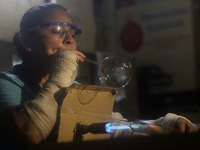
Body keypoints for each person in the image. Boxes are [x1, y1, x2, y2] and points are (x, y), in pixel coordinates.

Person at [0, 2, 199, 149]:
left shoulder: (73, 87)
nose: (70, 39)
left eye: (72, 33)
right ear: (27, 41)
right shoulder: (6, 84)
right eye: (57, 30)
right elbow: (29, 134)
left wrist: (161, 126)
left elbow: (113, 127)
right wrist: (63, 72)